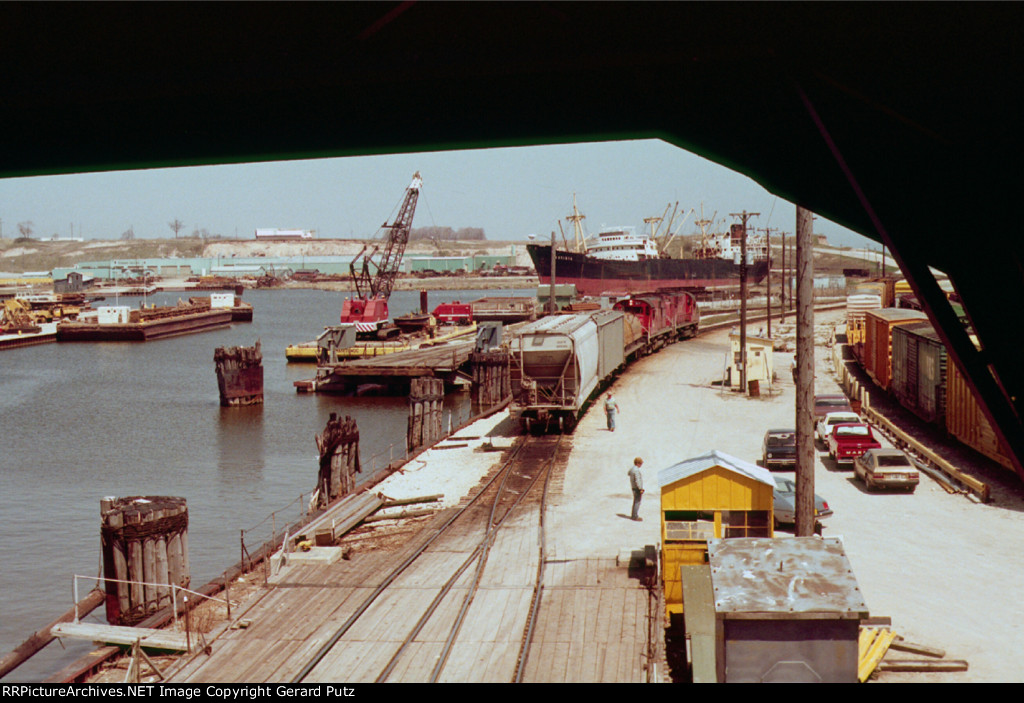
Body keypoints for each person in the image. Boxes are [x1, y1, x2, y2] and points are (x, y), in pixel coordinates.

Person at [628, 457, 644, 521]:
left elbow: (629, 473)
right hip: (637, 488)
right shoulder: (636, 470)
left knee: (635, 502)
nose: (641, 465)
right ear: (637, 463)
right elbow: (637, 480)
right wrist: (640, 488)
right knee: (637, 502)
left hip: (633, 487)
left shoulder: (632, 469)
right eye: (640, 463)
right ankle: (635, 516)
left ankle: (633, 515)